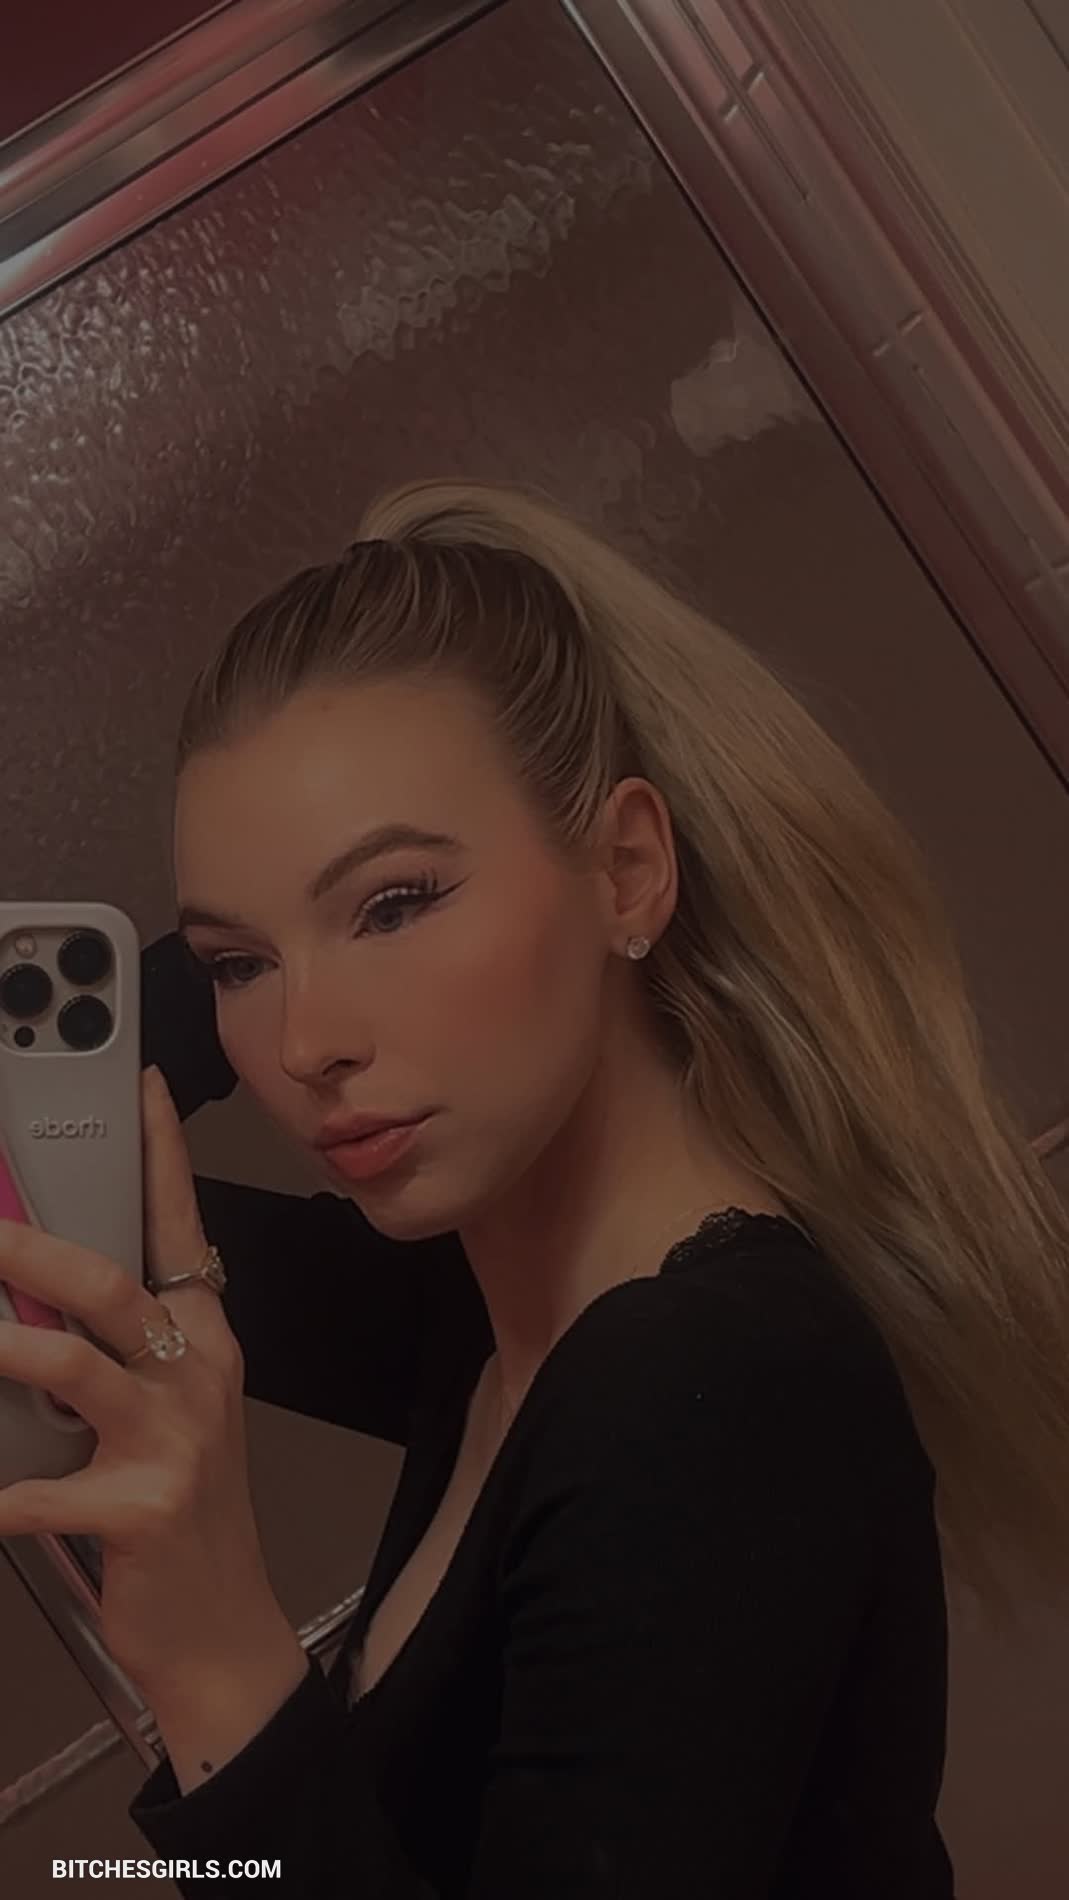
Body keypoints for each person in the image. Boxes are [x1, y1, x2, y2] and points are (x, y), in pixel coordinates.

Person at [124, 478, 1069, 1895]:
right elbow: (64, 1211)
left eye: (395, 903)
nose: (306, 1042)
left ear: (627, 870)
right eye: (237, 966)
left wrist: (214, 1669)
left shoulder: (710, 1384)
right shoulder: (495, 1309)